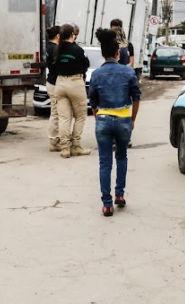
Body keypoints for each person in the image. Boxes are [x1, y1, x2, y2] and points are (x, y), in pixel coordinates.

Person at [89, 28, 141, 217]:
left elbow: (93, 102)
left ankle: (107, 204)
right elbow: (136, 97)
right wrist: (132, 119)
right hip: (123, 119)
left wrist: (98, 118)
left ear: (103, 54)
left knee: (105, 163)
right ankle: (120, 195)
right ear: (118, 53)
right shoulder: (128, 72)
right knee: (121, 157)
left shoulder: (96, 75)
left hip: (103, 119)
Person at [54, 24, 91, 159]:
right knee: (80, 116)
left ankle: (64, 148)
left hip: (60, 83)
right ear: (72, 34)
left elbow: (54, 66)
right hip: (75, 83)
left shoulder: (58, 49)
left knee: (64, 118)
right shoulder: (77, 50)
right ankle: (75, 146)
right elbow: (86, 65)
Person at [45, 26, 61, 152]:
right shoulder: (55, 48)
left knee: (55, 111)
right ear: (58, 36)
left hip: (51, 81)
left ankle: (55, 139)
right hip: (55, 82)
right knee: (56, 112)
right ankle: (54, 140)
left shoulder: (49, 47)